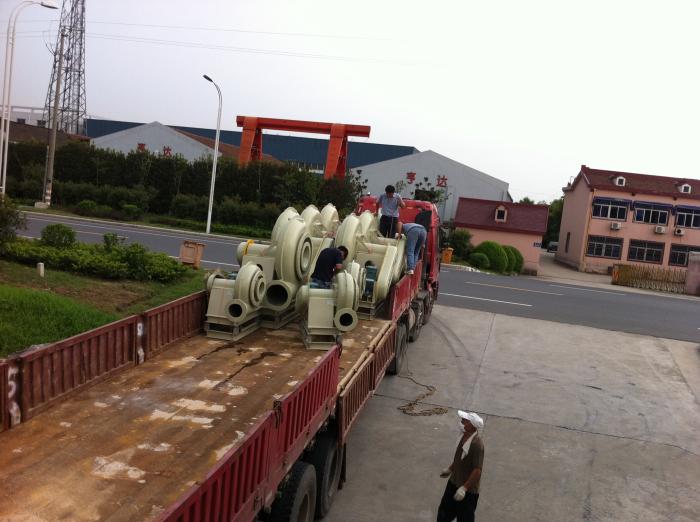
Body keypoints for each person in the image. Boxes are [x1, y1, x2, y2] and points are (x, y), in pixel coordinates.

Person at [437, 411, 485, 522]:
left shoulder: (477, 445)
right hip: (454, 482)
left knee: (464, 518)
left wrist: (464, 488)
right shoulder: (463, 436)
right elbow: (459, 457)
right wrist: (450, 469)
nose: (461, 422)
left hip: (468, 491)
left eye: (465, 420)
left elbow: (477, 470)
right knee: (443, 514)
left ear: (472, 425)